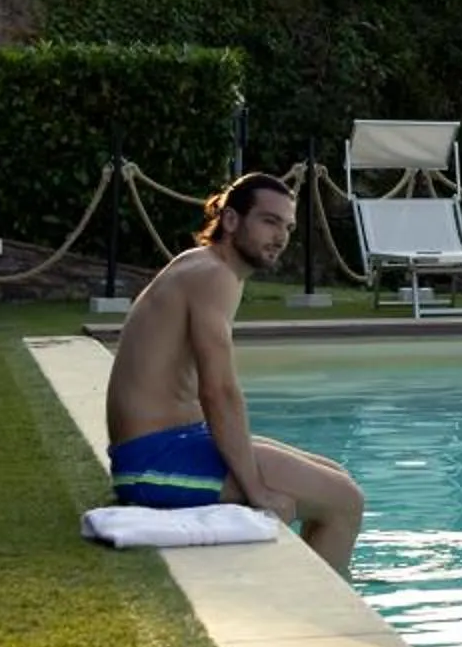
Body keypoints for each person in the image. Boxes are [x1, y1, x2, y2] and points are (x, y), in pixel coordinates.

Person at [102, 171, 366, 577]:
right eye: (269, 221)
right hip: (155, 461)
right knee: (345, 500)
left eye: (288, 226)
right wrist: (257, 491)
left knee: (335, 478)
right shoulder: (214, 276)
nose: (280, 236)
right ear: (230, 221)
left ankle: (308, 591)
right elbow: (219, 391)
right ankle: (321, 621)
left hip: (178, 443)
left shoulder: (202, 266)